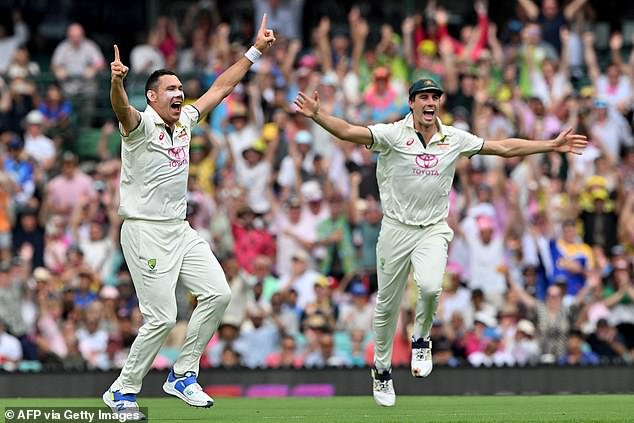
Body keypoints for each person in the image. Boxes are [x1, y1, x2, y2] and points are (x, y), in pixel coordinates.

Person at [293, 78, 587, 407]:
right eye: (423, 97)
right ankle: (382, 370)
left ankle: (421, 340)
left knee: (432, 287)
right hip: (395, 229)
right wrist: (318, 115)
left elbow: (503, 148)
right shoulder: (393, 135)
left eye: (435, 96)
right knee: (386, 307)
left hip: (433, 228)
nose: (430, 102)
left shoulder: (454, 138)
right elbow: (349, 131)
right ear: (412, 103)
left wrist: (549, 145)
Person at [102, 15, 275, 417]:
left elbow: (222, 86)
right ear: (152, 97)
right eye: (171, 89)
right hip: (144, 231)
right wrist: (116, 82)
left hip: (179, 229)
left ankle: (183, 374)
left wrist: (255, 50)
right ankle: (122, 392)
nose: (180, 94)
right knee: (161, 318)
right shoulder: (140, 125)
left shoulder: (186, 124)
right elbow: (121, 109)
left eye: (181, 88)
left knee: (219, 294)